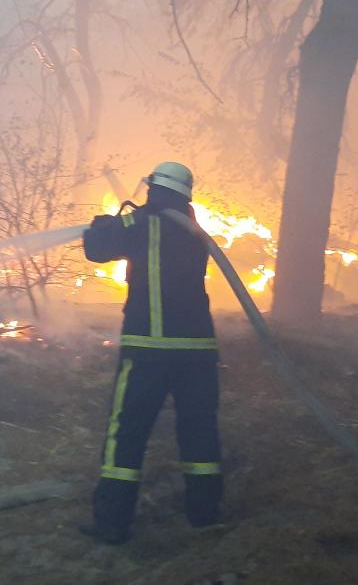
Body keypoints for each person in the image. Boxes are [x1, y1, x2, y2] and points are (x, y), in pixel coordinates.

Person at [79, 162, 223, 544]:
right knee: (200, 432)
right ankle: (205, 515)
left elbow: (97, 249)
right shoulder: (195, 232)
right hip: (198, 353)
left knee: (126, 433)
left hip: (148, 351)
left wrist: (101, 225)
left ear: (155, 189)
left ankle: (112, 523)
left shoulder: (139, 224)